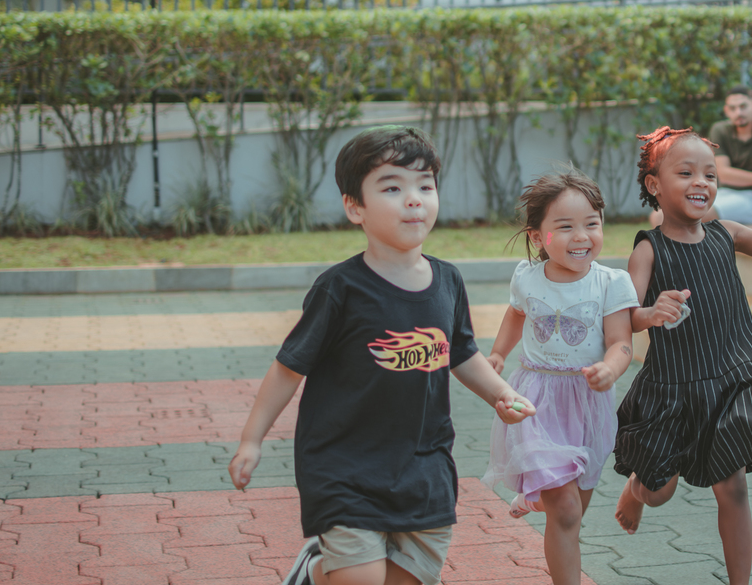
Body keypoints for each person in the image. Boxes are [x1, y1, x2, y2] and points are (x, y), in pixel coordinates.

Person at [227, 126, 534, 585]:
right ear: (355, 207)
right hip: (343, 465)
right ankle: (321, 567)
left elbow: (462, 353)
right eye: (392, 187)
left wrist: (502, 396)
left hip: (424, 464)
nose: (414, 199)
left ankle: (316, 573)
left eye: (424, 186)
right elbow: (288, 368)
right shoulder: (340, 290)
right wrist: (251, 441)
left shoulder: (447, 281)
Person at [614, 124, 752, 585]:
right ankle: (636, 489)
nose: (701, 182)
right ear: (654, 186)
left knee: (734, 487)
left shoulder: (727, 233)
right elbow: (623, 317)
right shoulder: (648, 250)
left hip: (731, 378)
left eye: (709, 174)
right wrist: (651, 312)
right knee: (658, 491)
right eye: (685, 173)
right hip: (673, 387)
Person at [481, 168, 639, 585]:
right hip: (535, 398)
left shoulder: (612, 283)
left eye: (592, 224)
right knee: (566, 510)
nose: (582, 236)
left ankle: (535, 499)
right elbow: (516, 315)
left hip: (588, 403)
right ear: (538, 236)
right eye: (565, 227)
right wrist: (498, 353)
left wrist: (611, 367)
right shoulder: (527, 277)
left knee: (573, 511)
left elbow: (622, 342)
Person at [648, 86, 752, 231]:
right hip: (723, 193)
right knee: (659, 215)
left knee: (694, 214)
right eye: (733, 108)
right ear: (726, 111)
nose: (738, 112)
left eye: (743, 106)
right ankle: (671, 253)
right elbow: (723, 174)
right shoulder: (720, 130)